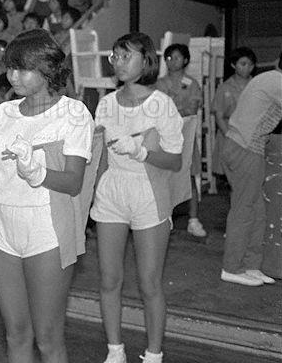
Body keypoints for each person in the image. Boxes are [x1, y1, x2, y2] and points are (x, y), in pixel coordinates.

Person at [0, 30, 94, 363]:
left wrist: (38, 173)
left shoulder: (73, 113)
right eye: (10, 68)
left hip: (45, 230)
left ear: (46, 69)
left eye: (23, 68)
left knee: (47, 337)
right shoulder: (3, 113)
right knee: (16, 333)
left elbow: (74, 182)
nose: (13, 76)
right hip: (1, 228)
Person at [91, 33, 184, 363]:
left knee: (149, 283)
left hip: (148, 192)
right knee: (109, 278)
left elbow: (174, 160)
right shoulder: (105, 103)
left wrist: (141, 151)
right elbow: (99, 157)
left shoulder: (162, 104)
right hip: (112, 192)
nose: (117, 61)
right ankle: (115, 350)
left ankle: (154, 354)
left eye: (125, 55)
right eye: (114, 56)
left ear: (146, 61)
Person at [220, 51, 282, 287]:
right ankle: (232, 267)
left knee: (257, 210)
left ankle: (250, 266)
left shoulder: (271, 78)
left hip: (246, 148)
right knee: (244, 210)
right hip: (244, 148)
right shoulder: (278, 82)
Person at [155, 43, 205, 237]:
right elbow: (156, 111)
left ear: (185, 60)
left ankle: (193, 219)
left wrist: (172, 112)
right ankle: (164, 218)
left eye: (176, 57)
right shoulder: (159, 83)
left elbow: (192, 109)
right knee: (163, 178)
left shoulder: (192, 83)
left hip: (185, 135)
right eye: (168, 58)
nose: (171, 61)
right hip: (164, 137)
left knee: (189, 175)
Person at [211, 47, 256, 177]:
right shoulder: (225, 87)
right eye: (243, 64)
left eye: (251, 65)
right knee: (233, 175)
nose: (247, 68)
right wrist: (230, 136)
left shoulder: (256, 85)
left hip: (251, 135)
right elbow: (219, 116)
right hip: (230, 133)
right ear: (233, 65)